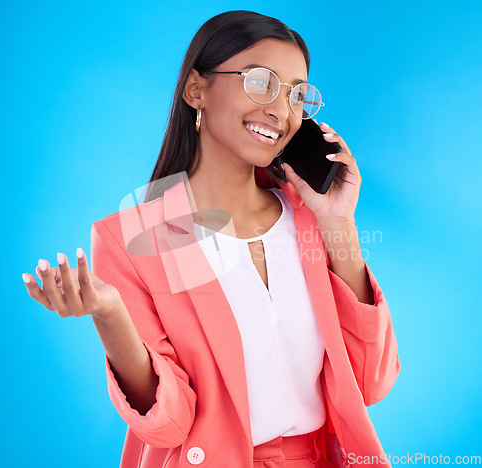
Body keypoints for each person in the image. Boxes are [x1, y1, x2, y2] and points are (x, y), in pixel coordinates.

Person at [22, 10, 400, 468]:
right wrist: (111, 314)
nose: (280, 110)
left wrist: (339, 226)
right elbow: (170, 423)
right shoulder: (146, 235)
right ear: (196, 89)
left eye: (296, 95)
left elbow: (370, 383)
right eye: (261, 82)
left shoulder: (307, 219)